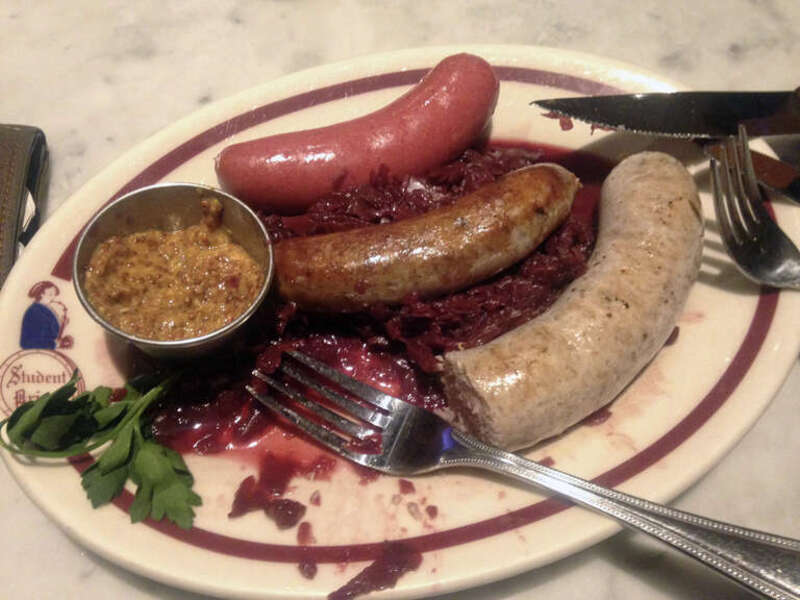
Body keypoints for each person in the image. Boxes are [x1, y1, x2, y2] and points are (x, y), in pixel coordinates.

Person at [20, 281, 72, 349]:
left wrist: (62, 324)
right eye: (50, 294)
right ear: (41, 294)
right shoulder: (35, 311)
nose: (53, 298)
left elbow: (49, 332)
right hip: (35, 352)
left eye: (54, 294)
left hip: (43, 351)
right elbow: (36, 338)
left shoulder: (43, 309)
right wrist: (56, 344)